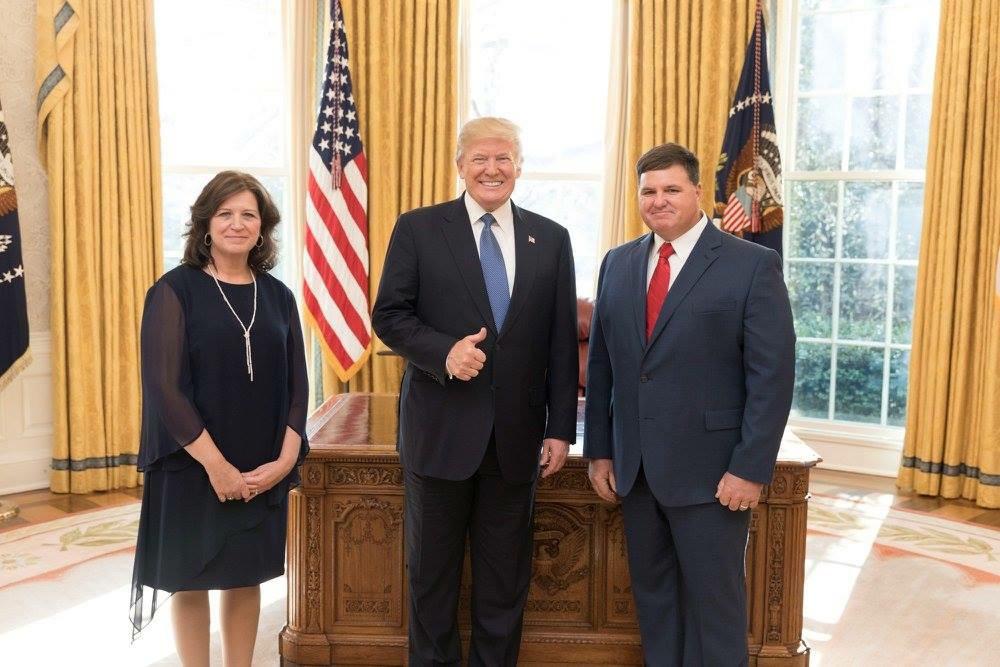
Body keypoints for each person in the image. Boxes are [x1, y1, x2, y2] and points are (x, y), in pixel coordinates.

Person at [372, 116, 579, 666]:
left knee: (504, 584)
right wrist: (444, 353)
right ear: (459, 166)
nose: (492, 168)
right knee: (432, 581)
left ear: (519, 166)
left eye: (504, 158)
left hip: (516, 443)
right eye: (480, 158)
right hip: (439, 436)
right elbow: (389, 316)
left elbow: (561, 342)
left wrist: (562, 429)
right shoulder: (418, 228)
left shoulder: (551, 238)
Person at [584, 143, 795, 666]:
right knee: (655, 603)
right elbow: (605, 369)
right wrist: (601, 452)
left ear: (699, 192)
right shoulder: (618, 263)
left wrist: (749, 468)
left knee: (714, 608)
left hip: (714, 475)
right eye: (648, 191)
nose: (659, 201)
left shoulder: (751, 265)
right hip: (636, 473)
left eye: (671, 189)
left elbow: (772, 378)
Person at [129, 171, 309, 667]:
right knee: (191, 579)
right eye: (225, 213)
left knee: (243, 575)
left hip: (259, 463)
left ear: (262, 227)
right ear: (206, 225)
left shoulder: (278, 295)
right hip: (192, 460)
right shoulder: (173, 291)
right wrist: (216, 466)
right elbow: (165, 390)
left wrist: (285, 461)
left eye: (248, 214)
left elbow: (299, 385)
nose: (237, 223)